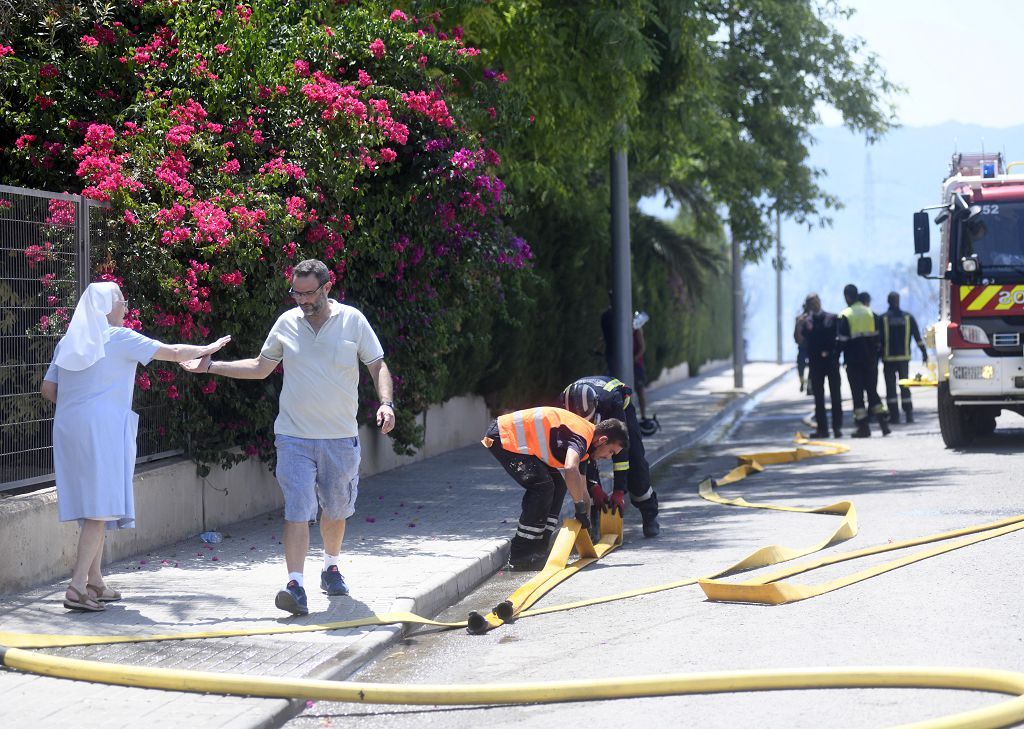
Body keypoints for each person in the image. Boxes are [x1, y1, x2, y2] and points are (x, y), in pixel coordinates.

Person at [181, 259, 394, 616]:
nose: (302, 300)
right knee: (297, 508)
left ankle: (331, 567)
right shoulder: (286, 323)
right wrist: (211, 366)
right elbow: (260, 367)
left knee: (336, 509)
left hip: (340, 436)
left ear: (327, 287)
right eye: (297, 293)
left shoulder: (353, 321)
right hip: (293, 436)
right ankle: (295, 585)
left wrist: (386, 403)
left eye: (309, 293)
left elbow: (377, 364)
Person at [41, 282, 230, 612]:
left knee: (93, 505)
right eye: (122, 302)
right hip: (102, 429)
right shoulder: (118, 337)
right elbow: (172, 352)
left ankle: (95, 581)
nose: (125, 308)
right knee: (100, 507)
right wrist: (208, 348)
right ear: (107, 307)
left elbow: (48, 389)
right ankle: (77, 587)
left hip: (69, 427)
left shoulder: (68, 342)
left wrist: (81, 404)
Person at [481, 406, 628, 570]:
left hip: (516, 440)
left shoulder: (587, 446)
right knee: (542, 487)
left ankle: (539, 551)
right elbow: (570, 468)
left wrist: (585, 520)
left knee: (558, 486)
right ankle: (521, 554)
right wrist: (578, 506)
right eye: (611, 452)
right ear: (602, 440)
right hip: (503, 435)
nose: (608, 457)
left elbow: (582, 488)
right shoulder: (582, 437)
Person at [560, 375, 660, 536]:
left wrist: (619, 490)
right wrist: (593, 486)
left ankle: (649, 513)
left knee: (635, 461)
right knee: (583, 463)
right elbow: (580, 454)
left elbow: (621, 451)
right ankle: (592, 523)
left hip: (623, 412)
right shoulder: (565, 404)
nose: (607, 457)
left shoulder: (612, 402)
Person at [837, 284, 890, 438]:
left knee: (857, 394)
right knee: (872, 392)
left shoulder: (845, 315)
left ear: (847, 296)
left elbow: (841, 341)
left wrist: (835, 357)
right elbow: (879, 339)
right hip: (871, 361)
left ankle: (863, 428)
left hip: (853, 362)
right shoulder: (871, 313)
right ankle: (883, 425)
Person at [799, 294, 843, 438]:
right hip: (815, 363)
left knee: (836, 395)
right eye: (812, 303)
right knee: (818, 397)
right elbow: (799, 340)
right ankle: (822, 429)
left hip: (831, 362)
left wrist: (835, 354)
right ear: (808, 306)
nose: (815, 305)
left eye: (816, 302)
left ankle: (837, 427)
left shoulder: (832, 318)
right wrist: (798, 324)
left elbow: (840, 339)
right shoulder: (807, 322)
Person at [881, 292, 928, 424]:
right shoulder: (908, 317)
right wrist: (924, 353)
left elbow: (879, 340)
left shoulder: (883, 318)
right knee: (905, 386)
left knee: (891, 388)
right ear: (898, 301)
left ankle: (894, 416)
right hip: (904, 359)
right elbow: (918, 337)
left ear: (888, 301)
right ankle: (909, 414)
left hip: (888, 359)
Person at [794, 302, 811, 393]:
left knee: (803, 366)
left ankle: (807, 384)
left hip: (806, 346)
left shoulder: (800, 318)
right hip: (805, 346)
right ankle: (805, 383)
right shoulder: (803, 318)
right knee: (804, 366)